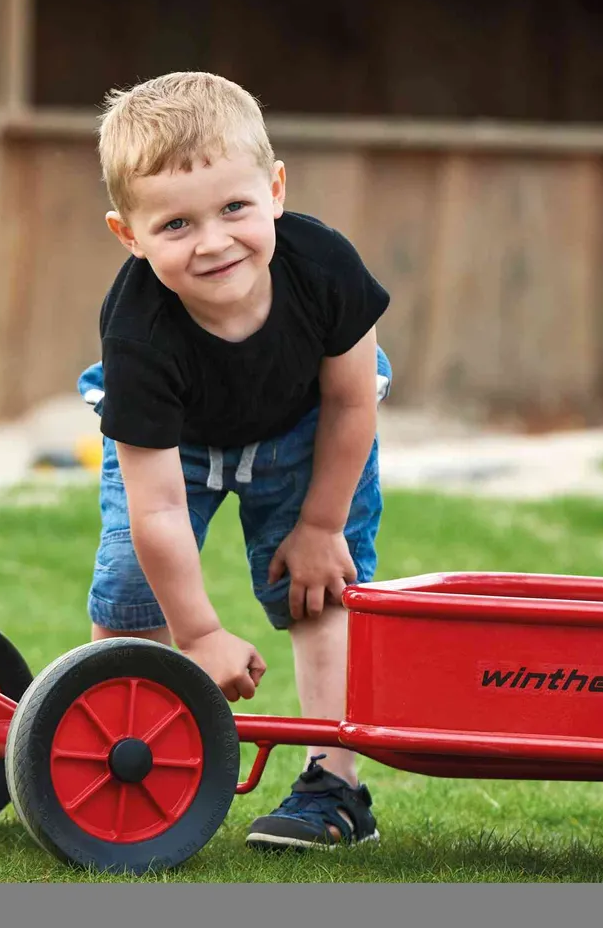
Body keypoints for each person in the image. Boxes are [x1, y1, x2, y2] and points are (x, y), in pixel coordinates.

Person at [77, 70, 391, 850]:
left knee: (325, 588)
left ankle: (334, 787)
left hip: (304, 430)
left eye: (234, 208)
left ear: (275, 189)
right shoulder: (139, 332)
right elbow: (153, 507)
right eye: (176, 225)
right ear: (129, 235)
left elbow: (354, 402)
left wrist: (321, 524)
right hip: (175, 445)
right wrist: (201, 633)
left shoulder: (323, 267)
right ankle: (132, 759)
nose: (214, 241)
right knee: (127, 589)